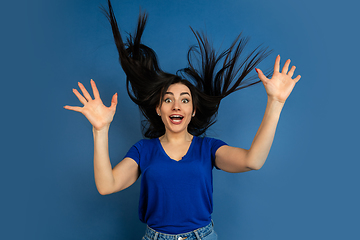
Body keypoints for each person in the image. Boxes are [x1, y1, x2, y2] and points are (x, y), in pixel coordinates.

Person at [64, 1, 301, 239]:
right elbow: (107, 186)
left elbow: (253, 161)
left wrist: (275, 103)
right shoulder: (143, 151)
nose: (176, 105)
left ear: (193, 111)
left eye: (185, 100)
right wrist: (101, 129)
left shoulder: (208, 148)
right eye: (168, 100)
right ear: (158, 109)